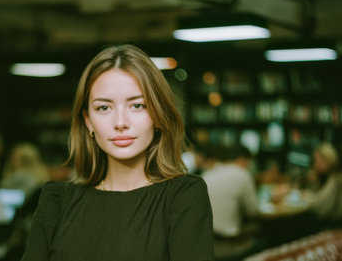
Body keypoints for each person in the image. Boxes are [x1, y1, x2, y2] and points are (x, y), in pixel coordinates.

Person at [21, 44, 214, 261]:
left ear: (158, 115)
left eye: (137, 106)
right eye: (104, 108)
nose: (120, 123)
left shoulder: (183, 196)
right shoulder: (57, 201)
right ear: (88, 121)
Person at [202, 144, 259, 260]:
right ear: (242, 159)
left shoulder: (206, 175)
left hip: (206, 244)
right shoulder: (242, 174)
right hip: (229, 244)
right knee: (262, 238)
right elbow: (253, 211)